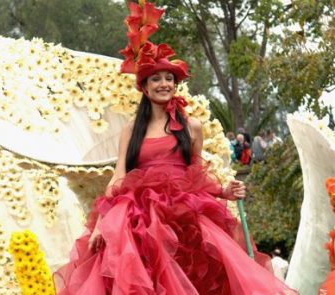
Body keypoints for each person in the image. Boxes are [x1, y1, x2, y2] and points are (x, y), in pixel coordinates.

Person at [54, 1, 297, 294]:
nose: (164, 84)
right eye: (156, 78)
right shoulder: (132, 130)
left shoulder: (191, 127)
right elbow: (118, 177)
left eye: (169, 78)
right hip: (140, 217)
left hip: (187, 216)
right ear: (144, 87)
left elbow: (196, 173)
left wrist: (224, 192)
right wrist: (100, 225)